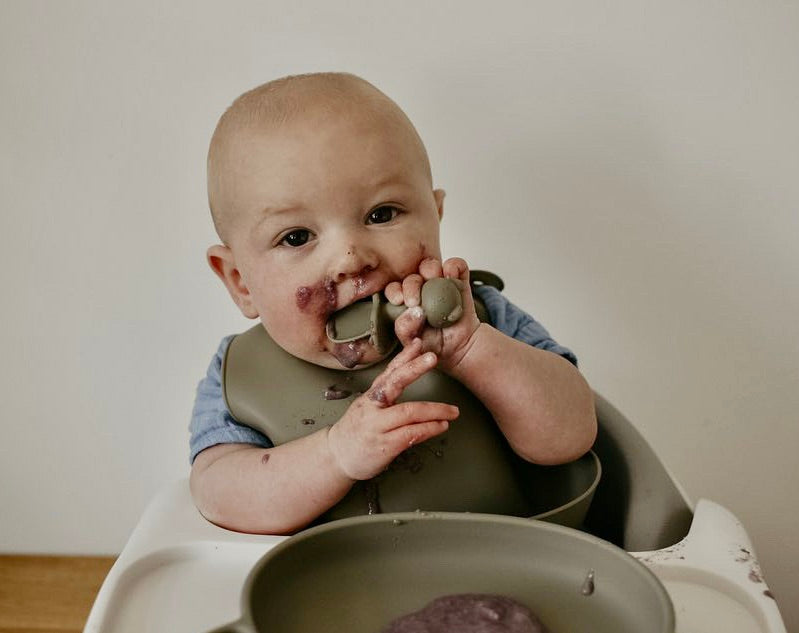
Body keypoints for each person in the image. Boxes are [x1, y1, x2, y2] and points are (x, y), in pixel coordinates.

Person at [189, 72, 597, 535]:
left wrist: (471, 352)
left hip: (500, 570)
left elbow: (572, 435)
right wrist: (337, 455)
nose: (351, 259)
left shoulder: (482, 317)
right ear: (241, 282)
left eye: (381, 214)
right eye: (296, 237)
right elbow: (217, 495)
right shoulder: (240, 373)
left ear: (435, 216)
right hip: (324, 591)